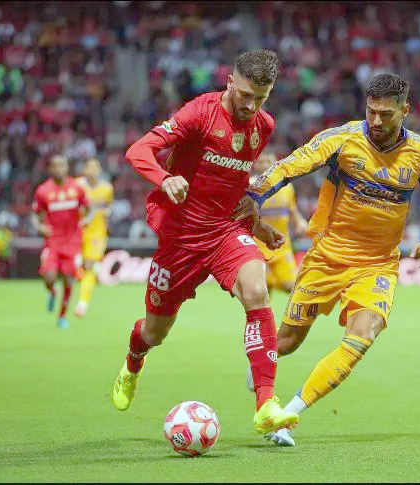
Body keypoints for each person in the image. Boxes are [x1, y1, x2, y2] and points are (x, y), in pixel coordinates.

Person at [235, 73, 420, 445]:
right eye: (371, 111)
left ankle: (288, 415)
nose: (377, 121)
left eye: (386, 114)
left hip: (378, 264)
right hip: (327, 258)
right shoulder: (343, 139)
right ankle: (262, 365)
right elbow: (290, 165)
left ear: (405, 110)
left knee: (363, 335)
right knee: (286, 342)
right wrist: (255, 197)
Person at [111, 49, 299, 435]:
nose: (250, 105)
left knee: (257, 290)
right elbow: (138, 150)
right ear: (230, 81)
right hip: (180, 238)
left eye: (260, 98)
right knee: (154, 332)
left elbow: (230, 183)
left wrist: (256, 222)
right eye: (245, 94)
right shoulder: (200, 112)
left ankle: (266, 404)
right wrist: (164, 178)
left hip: (225, 232)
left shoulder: (264, 125)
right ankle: (133, 361)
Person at [30, 155, 92, 329]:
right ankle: (51, 291)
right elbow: (35, 214)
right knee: (48, 277)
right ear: (50, 169)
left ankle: (62, 316)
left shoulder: (77, 188)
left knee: (68, 279)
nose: (59, 169)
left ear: (67, 167)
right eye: (55, 166)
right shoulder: (43, 191)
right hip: (53, 241)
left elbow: (89, 209)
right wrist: (40, 227)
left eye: (62, 165)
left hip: (73, 241)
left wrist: (86, 219)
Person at [250, 151, 308, 294]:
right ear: (256, 164)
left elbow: (292, 211)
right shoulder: (250, 186)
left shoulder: (286, 187)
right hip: (258, 246)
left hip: (282, 245)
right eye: (260, 162)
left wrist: (300, 222)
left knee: (291, 286)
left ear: (274, 164)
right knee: (262, 290)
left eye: (267, 162)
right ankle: (262, 316)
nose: (264, 165)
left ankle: (294, 315)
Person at [74, 158, 114, 317]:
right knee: (76, 267)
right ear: (84, 169)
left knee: (89, 264)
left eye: (96, 167)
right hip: (77, 231)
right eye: (89, 167)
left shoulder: (106, 188)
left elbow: (108, 207)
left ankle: (82, 303)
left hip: (97, 233)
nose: (92, 170)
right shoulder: (77, 185)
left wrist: (107, 214)